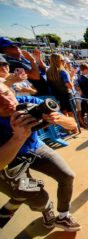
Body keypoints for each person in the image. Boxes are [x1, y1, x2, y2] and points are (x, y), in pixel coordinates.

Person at [0, 82, 81, 232]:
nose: (6, 102)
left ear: (13, 91)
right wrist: (17, 138)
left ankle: (63, 215)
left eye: (6, 94)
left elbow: (72, 125)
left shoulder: (30, 103)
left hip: (35, 147)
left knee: (67, 175)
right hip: (10, 161)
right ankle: (45, 208)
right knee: (37, 195)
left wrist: (56, 119)